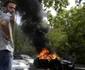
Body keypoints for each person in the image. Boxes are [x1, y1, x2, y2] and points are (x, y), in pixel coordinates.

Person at [0, 0, 16, 70]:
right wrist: (9, 37)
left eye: (14, 8)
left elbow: (11, 35)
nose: (13, 10)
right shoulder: (6, 15)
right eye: (11, 7)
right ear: (5, 8)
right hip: (5, 50)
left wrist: (12, 23)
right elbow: (3, 23)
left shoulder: (4, 16)